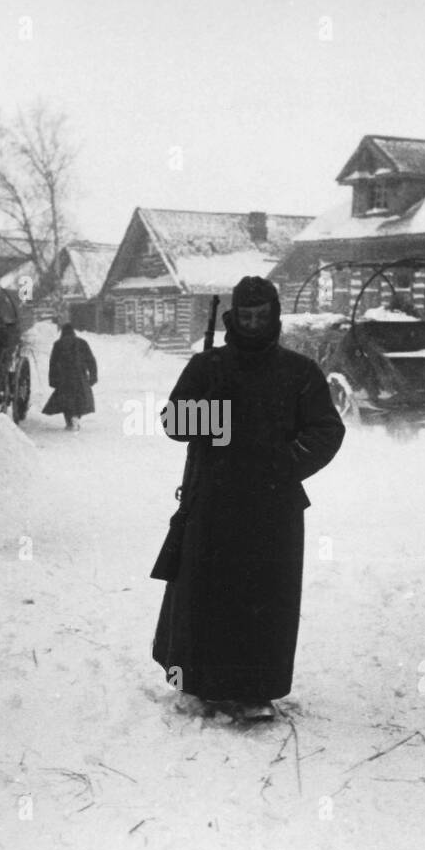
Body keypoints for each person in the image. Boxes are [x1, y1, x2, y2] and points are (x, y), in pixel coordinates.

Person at [151, 276, 345, 721]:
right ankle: (198, 686)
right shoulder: (207, 367)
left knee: (264, 600)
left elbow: (327, 430)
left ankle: (256, 691)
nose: (254, 324)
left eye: (262, 316)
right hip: (212, 502)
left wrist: (287, 463)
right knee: (205, 596)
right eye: (246, 316)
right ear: (232, 317)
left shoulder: (300, 372)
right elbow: (172, 421)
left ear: (274, 317)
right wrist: (216, 412)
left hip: (273, 508)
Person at [42, 323, 97, 430]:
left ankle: (69, 421)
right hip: (80, 377)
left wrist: (53, 380)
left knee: (66, 401)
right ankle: (76, 417)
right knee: (80, 399)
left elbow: (53, 363)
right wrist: (93, 376)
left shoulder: (58, 344)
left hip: (64, 378)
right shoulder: (82, 343)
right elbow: (91, 360)